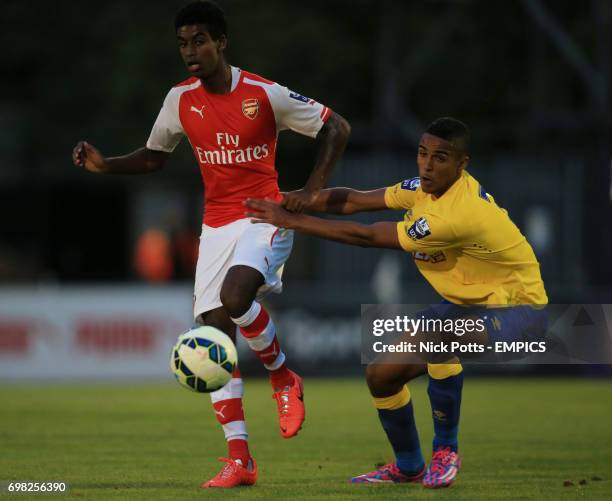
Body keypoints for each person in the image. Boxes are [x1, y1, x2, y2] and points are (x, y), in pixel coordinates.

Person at [72, 0, 350, 489]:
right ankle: (240, 461)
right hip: (217, 226)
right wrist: (105, 165)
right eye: (183, 43)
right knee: (214, 342)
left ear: (221, 42)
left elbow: (336, 126)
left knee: (236, 296)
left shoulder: (263, 94)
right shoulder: (180, 100)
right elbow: (155, 157)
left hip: (265, 215)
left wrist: (308, 192)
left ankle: (284, 377)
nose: (190, 51)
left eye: (199, 40)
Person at [246, 117, 548, 488]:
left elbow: (368, 236)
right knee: (381, 374)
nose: (427, 164)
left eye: (440, 158)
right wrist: (295, 199)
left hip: (519, 313)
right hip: (469, 305)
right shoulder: (425, 189)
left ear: (462, 164)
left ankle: (446, 452)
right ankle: (408, 466)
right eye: (423, 154)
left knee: (438, 338)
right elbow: (356, 201)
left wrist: (291, 221)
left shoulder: (457, 214)